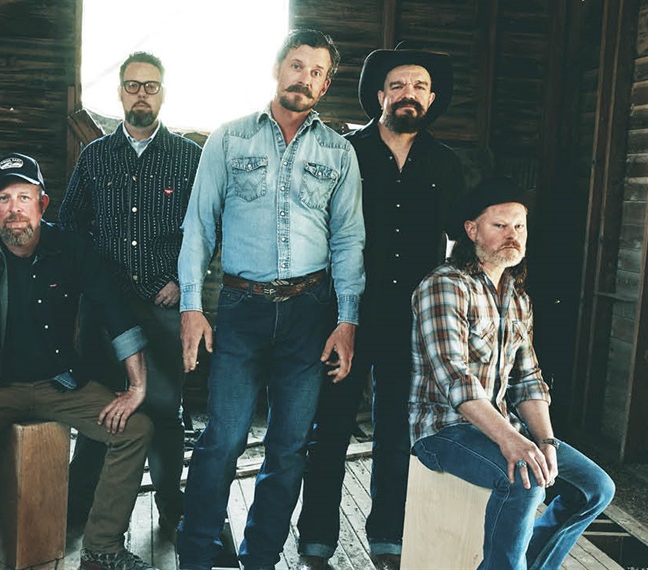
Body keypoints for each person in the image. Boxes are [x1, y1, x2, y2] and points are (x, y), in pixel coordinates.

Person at [176, 29, 365, 570]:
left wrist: (346, 321)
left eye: (315, 71)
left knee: (288, 447)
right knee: (224, 438)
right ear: (278, 68)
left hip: (311, 313)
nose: (303, 77)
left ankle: (261, 556)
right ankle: (196, 552)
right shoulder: (230, 139)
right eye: (296, 64)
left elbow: (350, 239)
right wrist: (192, 307)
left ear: (325, 85)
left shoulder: (339, 153)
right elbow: (199, 227)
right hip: (241, 309)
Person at [0, 153, 156, 570]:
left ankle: (102, 547)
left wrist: (136, 387)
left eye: (24, 197)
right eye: (4, 198)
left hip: (59, 385)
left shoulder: (71, 247)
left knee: (136, 429)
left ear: (42, 204)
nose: (15, 209)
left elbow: (116, 314)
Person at [296, 46, 466, 570]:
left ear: (431, 98)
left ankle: (388, 540)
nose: (407, 94)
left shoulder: (445, 162)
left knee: (397, 433)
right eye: (397, 85)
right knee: (329, 431)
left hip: (410, 322)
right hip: (344, 315)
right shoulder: (345, 152)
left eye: (418, 86)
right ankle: (316, 544)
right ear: (379, 95)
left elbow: (460, 240)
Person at [408, 177, 615, 569]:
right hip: (443, 430)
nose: (512, 236)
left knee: (595, 489)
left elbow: (528, 380)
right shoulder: (445, 286)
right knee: (524, 477)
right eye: (499, 226)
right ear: (472, 231)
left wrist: (546, 441)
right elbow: (455, 378)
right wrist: (513, 442)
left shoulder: (518, 298)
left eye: (519, 226)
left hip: (500, 427)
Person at [59, 51, 202, 534]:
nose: (142, 94)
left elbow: (207, 228)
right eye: (133, 85)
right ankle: (81, 509)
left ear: (163, 92)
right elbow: (70, 229)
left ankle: (170, 508)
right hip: (105, 310)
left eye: (152, 86)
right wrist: (90, 290)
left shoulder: (188, 157)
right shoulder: (95, 157)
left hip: (163, 306)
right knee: (102, 406)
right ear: (120, 91)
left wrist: (182, 281)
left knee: (164, 410)